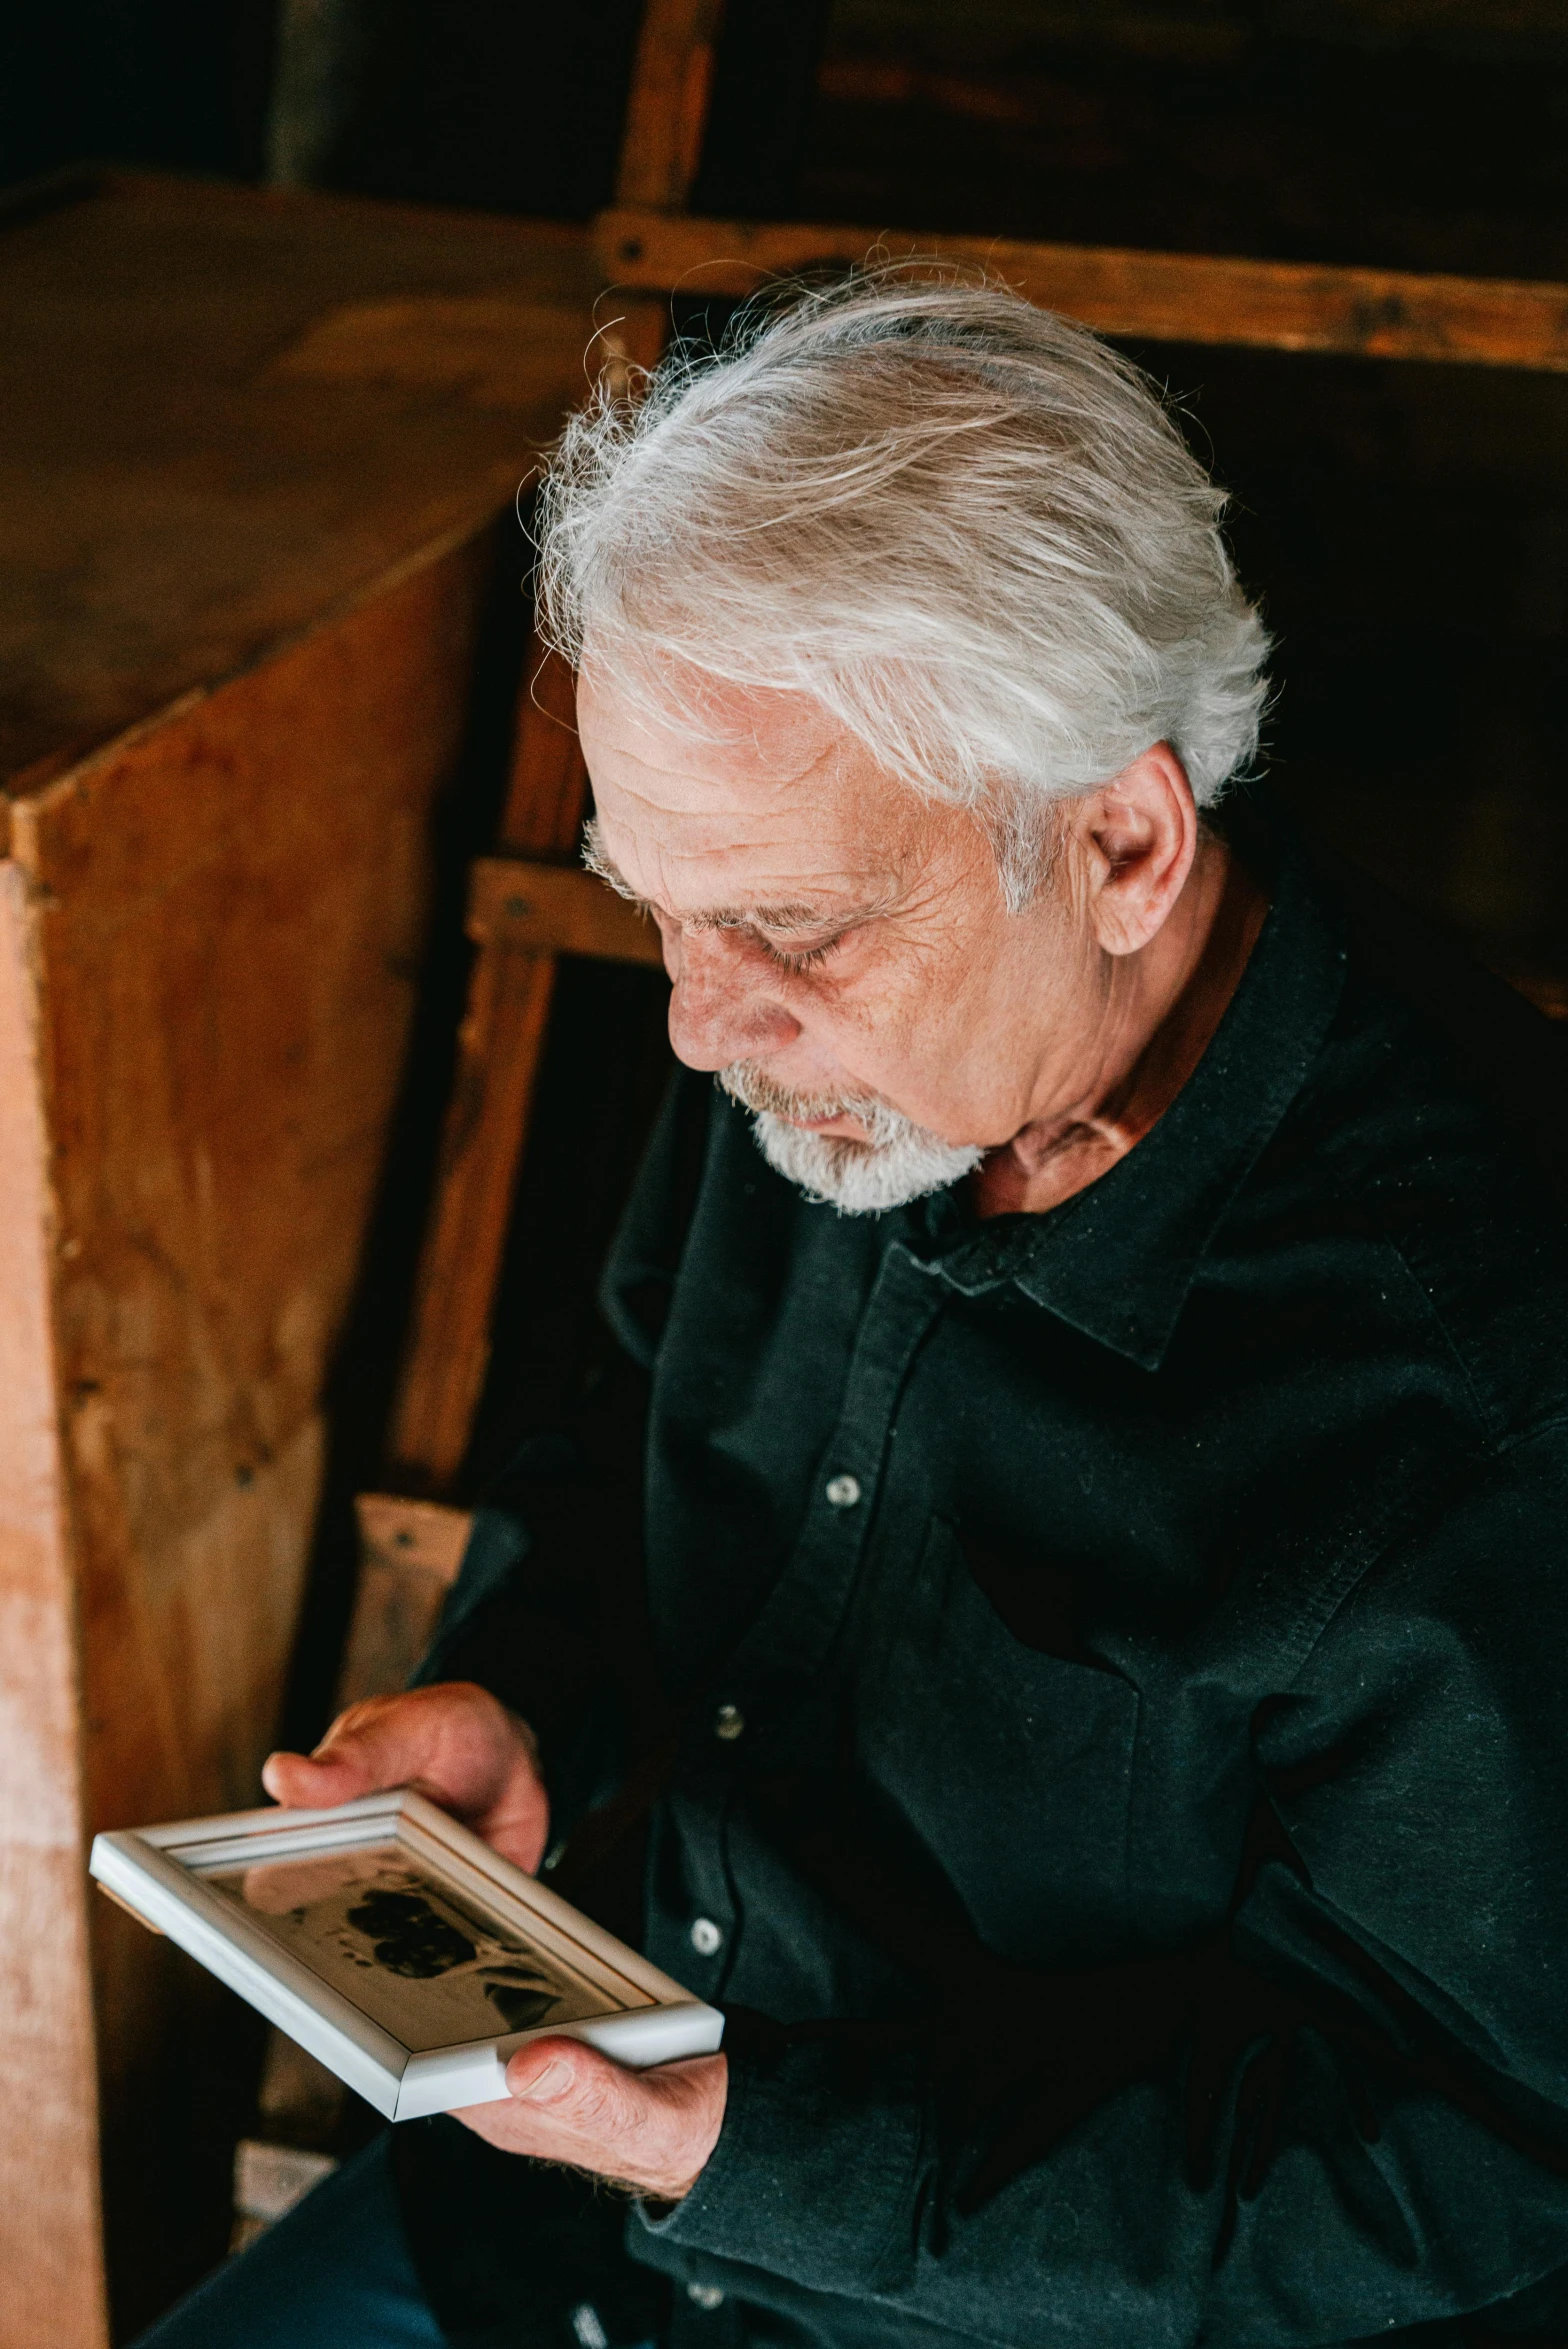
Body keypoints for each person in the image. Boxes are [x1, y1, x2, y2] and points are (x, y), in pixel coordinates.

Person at [136, 271, 1568, 2349]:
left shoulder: (1483, 1378)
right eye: (655, 901)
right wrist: (521, 1686)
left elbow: (1465, 2157)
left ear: (1122, 841)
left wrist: (747, 2145)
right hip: (567, 2220)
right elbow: (642, 1405)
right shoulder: (826, 1028)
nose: (703, 1023)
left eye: (788, 923)